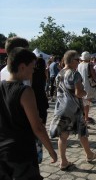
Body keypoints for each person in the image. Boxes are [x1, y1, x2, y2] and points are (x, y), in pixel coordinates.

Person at [0, 47, 57, 179]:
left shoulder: (1, 86)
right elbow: (37, 127)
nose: (33, 71)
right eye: (32, 67)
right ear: (22, 67)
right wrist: (51, 150)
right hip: (21, 151)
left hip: (3, 151)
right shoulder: (25, 91)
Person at [49, 50, 96, 170]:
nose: (79, 62)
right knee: (82, 132)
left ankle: (64, 161)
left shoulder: (59, 73)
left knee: (63, 135)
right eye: (77, 60)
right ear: (71, 61)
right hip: (74, 108)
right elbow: (78, 93)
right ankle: (89, 154)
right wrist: (85, 92)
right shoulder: (74, 74)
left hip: (61, 107)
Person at [77, 51, 96, 124]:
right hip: (88, 86)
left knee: (83, 102)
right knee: (87, 103)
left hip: (81, 85)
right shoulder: (89, 65)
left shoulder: (79, 65)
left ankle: (84, 116)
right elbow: (94, 75)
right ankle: (86, 117)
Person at [32, 57, 49, 125]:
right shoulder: (43, 72)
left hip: (33, 94)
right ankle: (43, 125)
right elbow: (46, 80)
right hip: (41, 94)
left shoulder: (33, 72)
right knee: (42, 113)